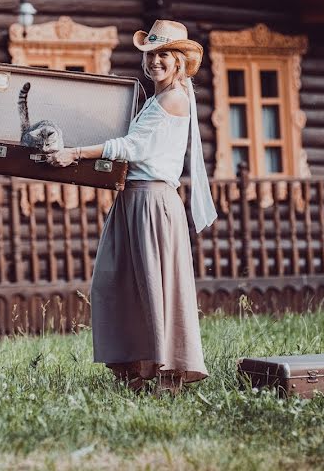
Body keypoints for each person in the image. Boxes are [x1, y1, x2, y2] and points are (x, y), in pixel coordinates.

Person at [48, 20, 217, 395]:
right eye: (151, 55)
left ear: (179, 62)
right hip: (132, 199)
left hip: (153, 201)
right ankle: (134, 367)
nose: (156, 61)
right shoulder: (155, 99)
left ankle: (170, 373)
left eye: (164, 55)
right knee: (116, 281)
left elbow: (132, 148)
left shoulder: (174, 98)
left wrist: (74, 152)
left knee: (159, 284)